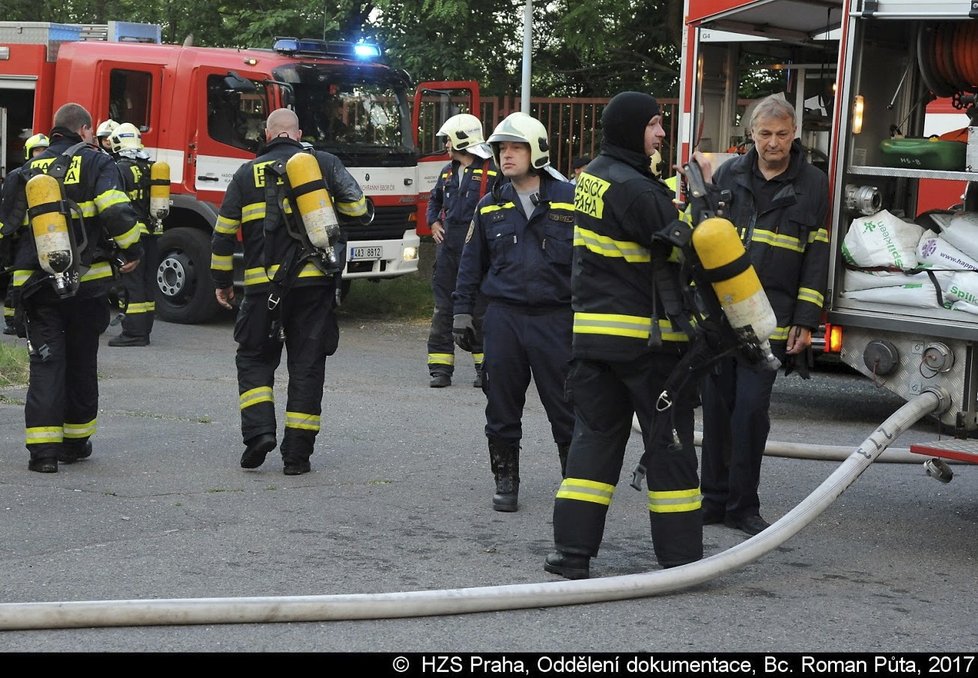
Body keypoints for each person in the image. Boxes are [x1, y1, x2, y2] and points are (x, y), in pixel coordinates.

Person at [545, 91, 703, 580]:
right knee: (670, 448)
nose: (661, 134)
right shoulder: (637, 190)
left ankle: (572, 554)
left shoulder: (592, 176)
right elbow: (686, 251)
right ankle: (679, 560)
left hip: (593, 341)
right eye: (655, 125)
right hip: (646, 345)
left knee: (593, 442)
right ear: (634, 128)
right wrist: (705, 209)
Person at [697, 94, 829, 536]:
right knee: (717, 408)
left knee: (750, 411)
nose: (774, 143)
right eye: (765, 133)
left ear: (796, 134)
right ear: (750, 133)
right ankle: (713, 500)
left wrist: (807, 321)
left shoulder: (813, 182)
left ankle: (743, 506)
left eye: (782, 134)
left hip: (772, 316)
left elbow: (817, 254)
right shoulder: (730, 174)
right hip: (723, 313)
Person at [211, 108, 369, 476]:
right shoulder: (323, 163)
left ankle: (259, 434)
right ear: (298, 134)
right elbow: (360, 209)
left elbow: (221, 235)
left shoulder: (244, 174)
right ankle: (297, 456)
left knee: (254, 358)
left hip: (261, 285)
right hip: (314, 284)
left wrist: (221, 282)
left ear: (267, 136)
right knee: (307, 365)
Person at [0, 103, 143, 473]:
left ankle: (42, 453)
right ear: (83, 130)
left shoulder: (24, 171)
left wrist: (10, 294)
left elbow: (7, 233)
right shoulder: (97, 163)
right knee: (81, 359)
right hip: (87, 285)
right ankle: (75, 442)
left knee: (46, 361)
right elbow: (115, 212)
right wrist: (133, 249)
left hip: (36, 285)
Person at [452, 112, 575, 512]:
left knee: (566, 407)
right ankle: (506, 480)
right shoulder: (490, 205)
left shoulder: (569, 199)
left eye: (515, 148)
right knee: (501, 406)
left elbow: (589, 263)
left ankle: (576, 486)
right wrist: (462, 313)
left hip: (556, 319)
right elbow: (471, 263)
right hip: (504, 319)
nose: (506, 156)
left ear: (536, 151)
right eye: (502, 149)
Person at [425, 113, 498, 388]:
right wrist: (433, 222)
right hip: (448, 251)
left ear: (462, 140)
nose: (446, 145)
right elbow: (435, 201)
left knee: (480, 308)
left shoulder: (493, 172)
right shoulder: (446, 172)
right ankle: (440, 370)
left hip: (478, 250)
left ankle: (484, 369)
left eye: (448, 140)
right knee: (443, 309)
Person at [106, 123, 158, 347]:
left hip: (131, 232)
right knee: (146, 283)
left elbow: (116, 205)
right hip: (153, 232)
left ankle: (133, 334)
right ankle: (144, 329)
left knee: (132, 283)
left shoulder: (118, 168)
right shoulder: (150, 166)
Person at [3, 133, 50, 335]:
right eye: (37, 150)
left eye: (44, 150)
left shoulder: (53, 176)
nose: (41, 154)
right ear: (28, 153)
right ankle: (13, 319)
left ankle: (37, 319)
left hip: (46, 233)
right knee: (20, 277)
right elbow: (7, 207)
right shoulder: (17, 176)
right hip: (23, 235)